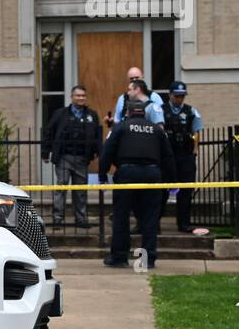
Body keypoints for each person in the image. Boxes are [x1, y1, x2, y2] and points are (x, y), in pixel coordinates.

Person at [99, 97, 176, 268]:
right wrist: (171, 181)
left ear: (127, 112)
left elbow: (107, 151)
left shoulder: (120, 128)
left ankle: (119, 257)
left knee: (121, 217)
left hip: (127, 173)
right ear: (144, 112)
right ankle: (147, 259)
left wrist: (102, 175)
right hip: (152, 174)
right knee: (150, 218)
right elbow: (168, 156)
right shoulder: (156, 130)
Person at [40, 85, 101, 228]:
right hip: (63, 157)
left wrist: (99, 152)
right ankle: (57, 219)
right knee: (61, 188)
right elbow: (49, 132)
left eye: (83, 96)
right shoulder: (60, 113)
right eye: (78, 95)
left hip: (82, 158)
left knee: (80, 190)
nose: (81, 98)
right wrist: (45, 152)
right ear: (72, 97)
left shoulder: (92, 115)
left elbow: (97, 136)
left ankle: (81, 219)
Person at [162, 80, 203, 232]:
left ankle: (183, 223)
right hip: (167, 156)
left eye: (182, 96)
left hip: (185, 155)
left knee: (185, 191)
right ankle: (155, 222)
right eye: (177, 96)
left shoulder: (191, 111)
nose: (180, 99)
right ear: (170, 95)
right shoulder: (161, 110)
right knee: (162, 190)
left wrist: (194, 151)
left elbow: (196, 132)